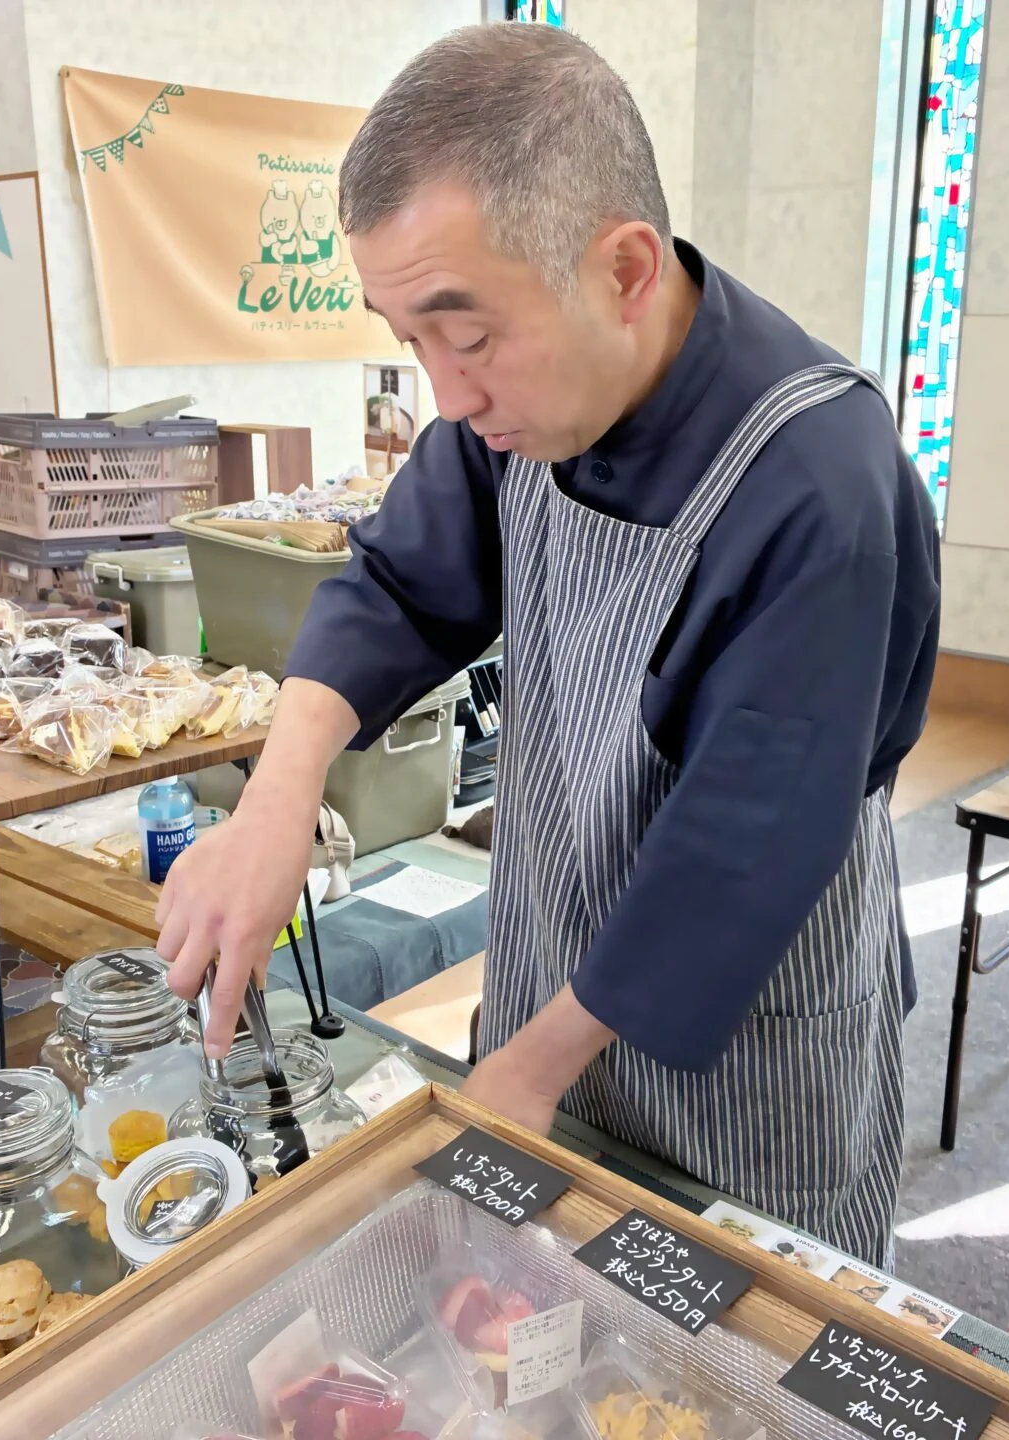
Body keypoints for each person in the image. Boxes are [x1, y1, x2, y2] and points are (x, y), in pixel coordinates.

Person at [158, 23, 940, 1264]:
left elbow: (741, 856)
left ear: (625, 270)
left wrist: (525, 1075)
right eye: (407, 341)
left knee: (725, 1350)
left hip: (745, 1024)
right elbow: (399, 582)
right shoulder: (511, 411)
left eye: (463, 339)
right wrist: (276, 801)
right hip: (554, 952)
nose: (445, 398)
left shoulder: (816, 485)